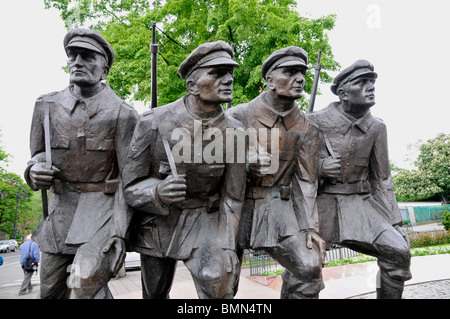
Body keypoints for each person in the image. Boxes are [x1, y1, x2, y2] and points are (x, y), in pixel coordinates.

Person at [122, 41, 247, 299]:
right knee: (154, 293)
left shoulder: (236, 131)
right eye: (217, 73)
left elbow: (233, 198)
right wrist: (157, 191)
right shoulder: (153, 122)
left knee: (218, 287)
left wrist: (227, 246)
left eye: (230, 73)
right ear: (192, 85)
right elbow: (130, 186)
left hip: (206, 222)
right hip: (159, 225)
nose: (228, 80)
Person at [24, 28, 138, 299]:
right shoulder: (46, 105)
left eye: (87, 57)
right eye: (73, 55)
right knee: (51, 291)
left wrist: (120, 233)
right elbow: (37, 154)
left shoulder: (123, 114)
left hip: (102, 211)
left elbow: (128, 179)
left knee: (85, 285)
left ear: (104, 69)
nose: (77, 62)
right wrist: (33, 170)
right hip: (60, 214)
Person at [303, 60, 412, 298]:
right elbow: (298, 171)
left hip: (360, 204)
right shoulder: (314, 121)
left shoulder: (377, 127)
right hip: (320, 205)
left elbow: (382, 179)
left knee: (398, 253)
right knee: (304, 267)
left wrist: (395, 223)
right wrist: (320, 167)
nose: (370, 87)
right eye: (362, 82)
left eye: (372, 82)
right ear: (342, 92)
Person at [227, 46, 326, 299]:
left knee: (309, 270)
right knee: (222, 284)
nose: (300, 79)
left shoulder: (307, 125)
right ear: (270, 80)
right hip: (233, 209)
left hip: (278, 208)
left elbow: (307, 181)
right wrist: (244, 164)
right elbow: (211, 167)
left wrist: (310, 228)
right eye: (291, 72)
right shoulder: (237, 115)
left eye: (302, 73)